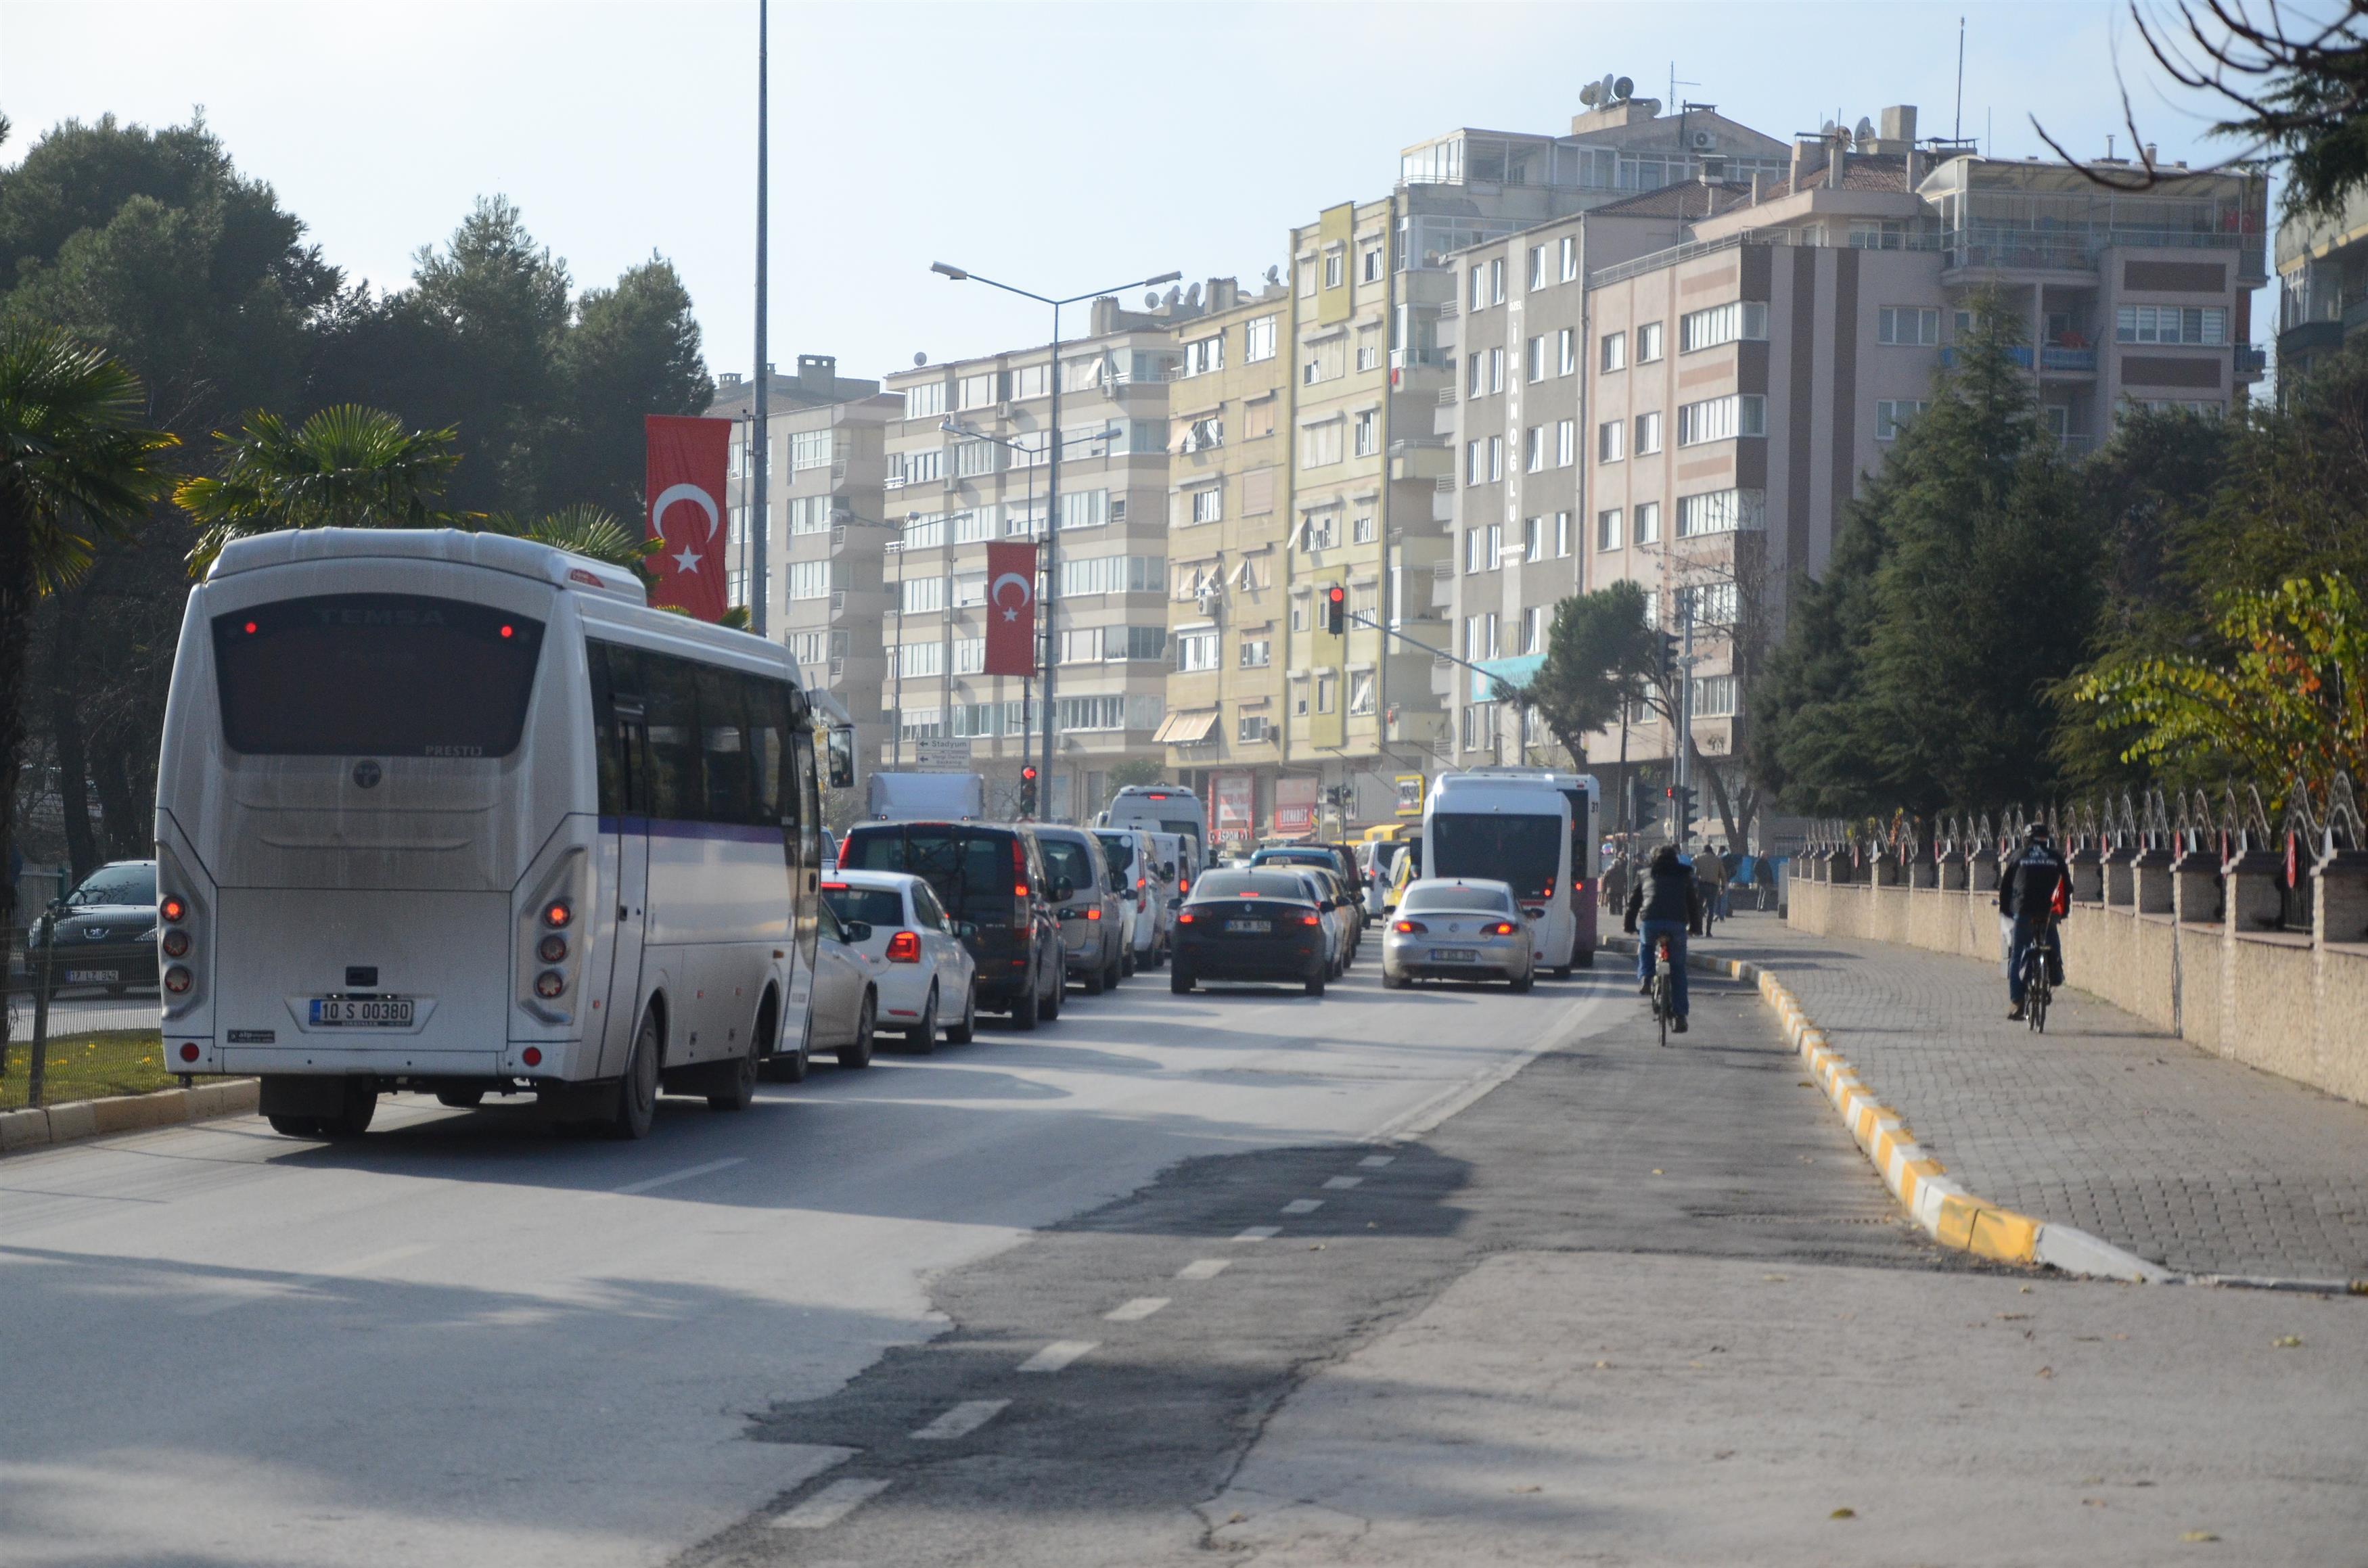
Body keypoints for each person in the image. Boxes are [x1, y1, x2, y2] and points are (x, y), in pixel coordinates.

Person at [1624, 843, 1704, 1034]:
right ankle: (1680, 1017)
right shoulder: (1684, 874)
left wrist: (1629, 926)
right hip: (1677, 925)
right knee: (1677, 970)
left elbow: (1634, 904)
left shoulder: (1644, 874)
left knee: (1645, 944)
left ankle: (1646, 976)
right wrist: (1695, 928)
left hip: (1651, 922)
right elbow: (1693, 904)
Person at [1998, 823, 2071, 1020]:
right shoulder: (2056, 857)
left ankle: (2017, 1002)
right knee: (2051, 940)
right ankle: (2055, 974)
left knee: (2018, 953)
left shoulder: (2019, 856)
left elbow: (2005, 888)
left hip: (2023, 910)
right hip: (2049, 911)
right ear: (2047, 839)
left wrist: (2006, 911)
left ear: (2027, 839)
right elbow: (2067, 887)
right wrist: (2063, 913)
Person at [1693, 842, 1729, 923]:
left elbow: (1696, 872)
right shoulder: (1718, 859)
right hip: (1713, 886)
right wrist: (1723, 886)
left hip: (1702, 885)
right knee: (1711, 907)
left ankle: (1700, 929)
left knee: (1700, 907)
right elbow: (1723, 874)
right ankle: (1709, 931)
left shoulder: (1700, 858)